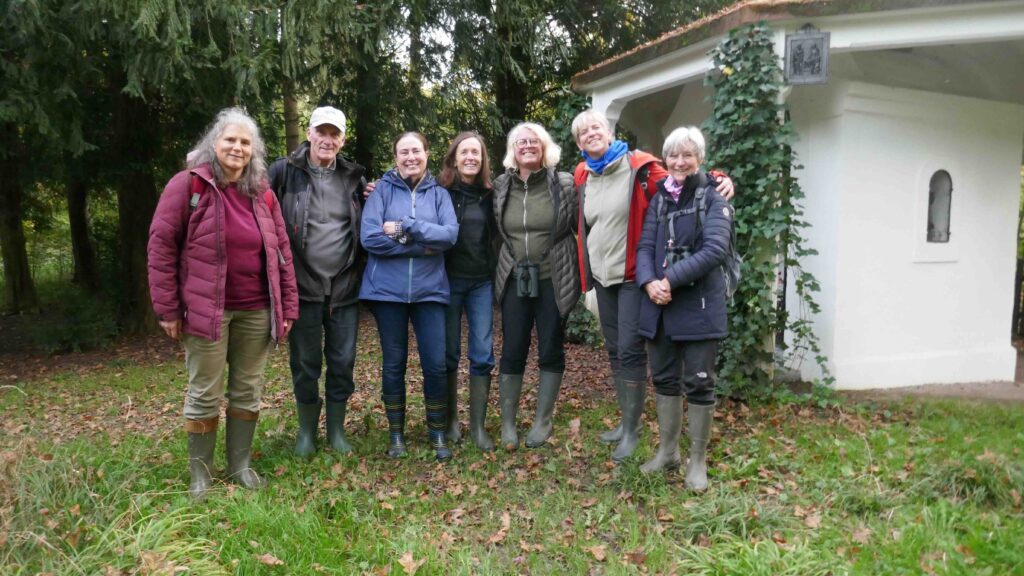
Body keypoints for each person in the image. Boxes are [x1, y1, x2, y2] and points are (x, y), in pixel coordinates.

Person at [148, 107, 298, 500]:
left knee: (247, 390)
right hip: (205, 311)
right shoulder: (188, 186)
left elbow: (282, 251)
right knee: (205, 392)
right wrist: (166, 308)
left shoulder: (262, 192)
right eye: (230, 139)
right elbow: (161, 247)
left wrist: (289, 306)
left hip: (257, 309)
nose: (237, 147)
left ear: (254, 151)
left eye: (245, 142)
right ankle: (201, 475)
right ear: (213, 144)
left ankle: (240, 466)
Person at [571, 109, 734, 463]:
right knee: (615, 349)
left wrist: (718, 177)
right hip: (603, 275)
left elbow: (682, 174)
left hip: (632, 275)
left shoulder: (641, 167)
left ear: (610, 131)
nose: (591, 134)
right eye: (583, 132)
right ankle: (627, 426)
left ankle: (632, 432)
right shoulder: (583, 174)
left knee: (630, 351)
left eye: (596, 127)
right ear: (578, 142)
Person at [635, 126, 732, 490]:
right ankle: (668, 453)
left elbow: (714, 250)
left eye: (687, 155)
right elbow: (645, 246)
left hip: (699, 307)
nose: (679, 161)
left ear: (699, 159)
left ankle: (698, 462)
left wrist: (669, 281)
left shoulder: (714, 198)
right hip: (659, 306)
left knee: (699, 384)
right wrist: (648, 283)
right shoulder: (660, 199)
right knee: (663, 380)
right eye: (673, 155)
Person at [268, 106, 366, 457]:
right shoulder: (283, 173)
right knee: (306, 363)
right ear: (308, 134)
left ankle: (336, 431)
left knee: (342, 362)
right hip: (303, 288)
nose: (327, 140)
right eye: (320, 132)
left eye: (334, 134)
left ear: (342, 139)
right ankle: (307, 433)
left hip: (344, 289)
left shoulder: (356, 178)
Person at [360, 132, 459, 462]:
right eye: (403, 152)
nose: (410, 157)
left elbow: (450, 235)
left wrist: (405, 226)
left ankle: (437, 431)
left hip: (430, 291)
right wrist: (422, 246)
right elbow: (370, 237)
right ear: (396, 157)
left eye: (416, 151)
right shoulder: (381, 191)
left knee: (435, 362)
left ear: (427, 154)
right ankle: (396, 435)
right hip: (387, 293)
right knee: (393, 364)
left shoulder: (440, 194)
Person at [493, 122, 579, 450]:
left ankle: (542, 421)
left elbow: (584, 220)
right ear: (513, 151)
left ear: (544, 148)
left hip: (553, 277)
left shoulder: (565, 183)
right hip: (515, 277)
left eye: (534, 141)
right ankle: (508, 423)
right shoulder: (501, 185)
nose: (527, 146)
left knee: (550, 347)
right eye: (521, 142)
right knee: (513, 347)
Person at [437, 132, 498, 451]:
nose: (471, 157)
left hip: (480, 282)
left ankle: (477, 427)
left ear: (483, 158)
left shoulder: (492, 194)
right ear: (454, 158)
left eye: (476, 152)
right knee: (448, 353)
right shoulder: (440, 191)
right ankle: (449, 422)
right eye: (465, 152)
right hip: (446, 281)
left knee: (482, 351)